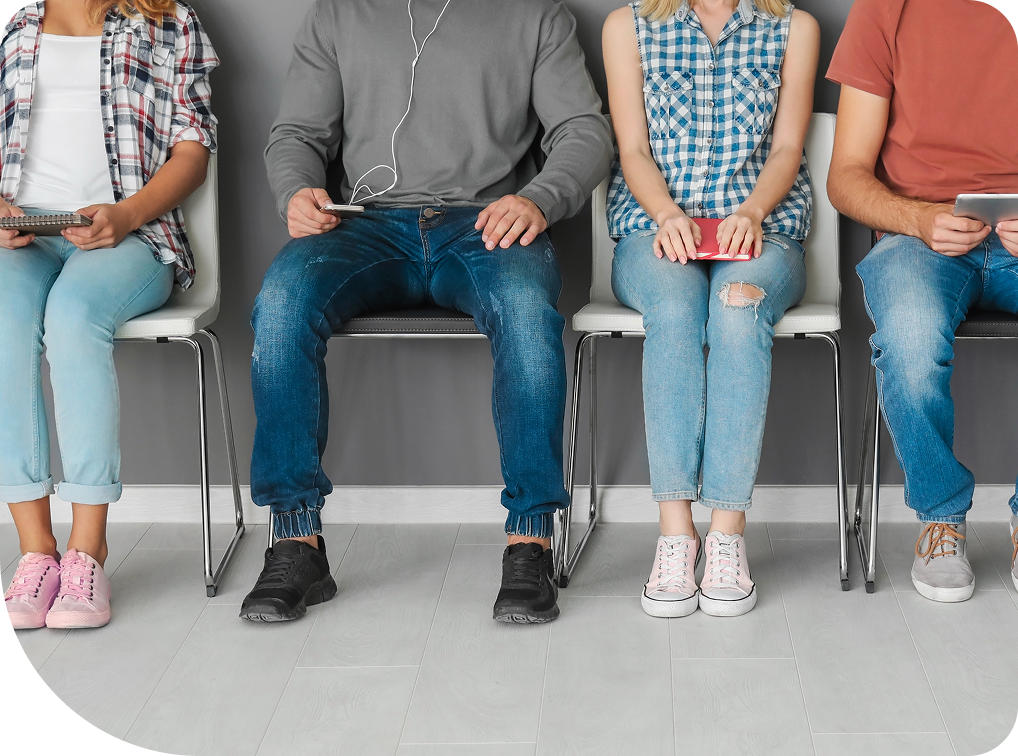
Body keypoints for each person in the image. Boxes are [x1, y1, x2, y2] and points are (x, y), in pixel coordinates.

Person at [240, 0, 612, 624]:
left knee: (525, 313)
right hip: (365, 224)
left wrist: (539, 200)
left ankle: (531, 541)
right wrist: (297, 190)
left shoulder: (536, 15)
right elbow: (297, 135)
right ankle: (295, 542)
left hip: (487, 222)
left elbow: (584, 131)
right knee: (281, 304)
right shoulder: (339, 13)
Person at [1, 0, 217, 630]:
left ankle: (87, 548)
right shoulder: (17, 25)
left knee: (73, 318)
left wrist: (126, 215)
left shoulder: (169, 21)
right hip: (24, 235)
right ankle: (35, 552)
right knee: (3, 322)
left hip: (131, 234)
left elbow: (193, 150)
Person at [602, 0, 818, 617]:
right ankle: (676, 535)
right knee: (675, 309)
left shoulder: (794, 28)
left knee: (735, 308)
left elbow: (787, 147)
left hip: (763, 231)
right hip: (653, 228)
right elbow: (633, 149)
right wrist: (666, 214)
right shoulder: (628, 26)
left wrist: (751, 212)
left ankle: (726, 534)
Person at [827, 0, 1018, 602]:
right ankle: (940, 518)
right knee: (908, 340)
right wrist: (916, 218)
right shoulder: (886, 9)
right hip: (918, 239)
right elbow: (846, 175)